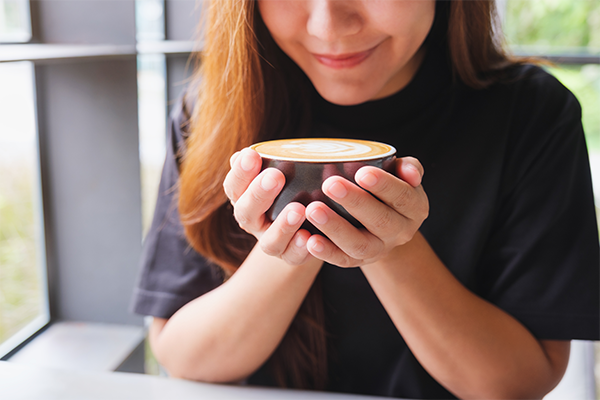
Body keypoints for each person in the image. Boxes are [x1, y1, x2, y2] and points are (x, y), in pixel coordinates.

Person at [131, 0, 600, 399]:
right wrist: (292, 235)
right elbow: (183, 355)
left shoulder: (530, 115)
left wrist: (391, 244)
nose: (328, 27)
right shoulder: (215, 111)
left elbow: (521, 382)